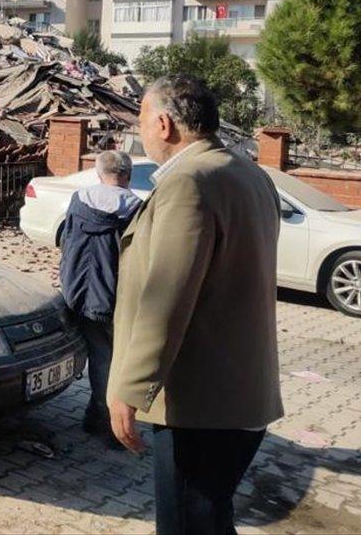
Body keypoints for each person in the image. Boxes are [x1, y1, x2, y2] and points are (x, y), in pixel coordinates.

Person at [108, 75, 282, 534]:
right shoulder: (248, 172)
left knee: (188, 524)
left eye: (141, 119)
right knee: (211, 520)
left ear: (164, 124)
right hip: (242, 396)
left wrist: (129, 388)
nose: (139, 130)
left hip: (200, 407)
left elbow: (167, 296)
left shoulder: (189, 183)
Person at [59, 151, 140, 442]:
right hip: (112, 299)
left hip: (75, 291)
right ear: (128, 176)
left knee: (97, 354)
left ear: (98, 173)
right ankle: (108, 423)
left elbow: (66, 242)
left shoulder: (79, 200)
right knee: (109, 360)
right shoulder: (136, 209)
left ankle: (97, 415)